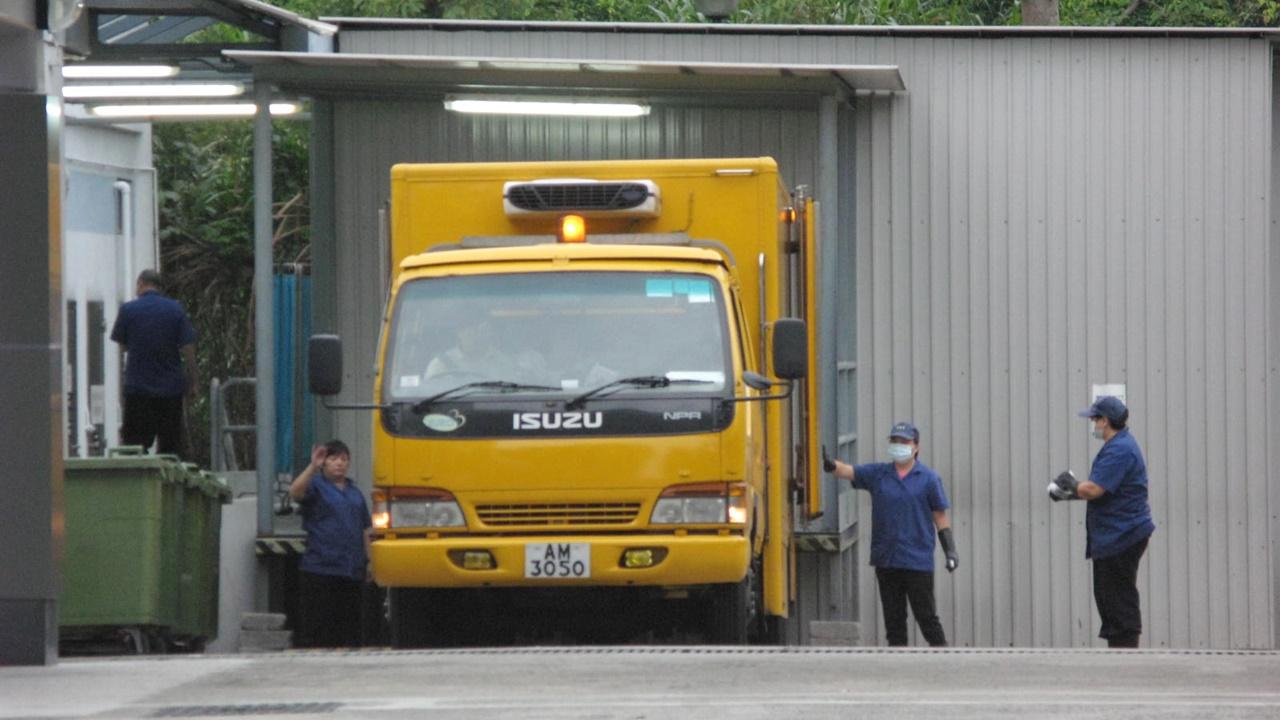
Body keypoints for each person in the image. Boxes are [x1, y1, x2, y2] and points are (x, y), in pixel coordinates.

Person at [824, 422, 958, 647]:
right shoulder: (879, 474)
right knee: (894, 621)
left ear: (916, 446)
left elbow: (940, 517)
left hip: (917, 560)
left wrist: (950, 550)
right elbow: (849, 471)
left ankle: (943, 657)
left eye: (904, 441)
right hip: (887, 559)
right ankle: (898, 663)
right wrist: (830, 465)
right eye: (895, 441)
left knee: (926, 617)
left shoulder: (929, 479)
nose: (899, 445)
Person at [1047, 396, 1155, 649]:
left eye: (1095, 419)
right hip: (1116, 535)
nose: (1093, 424)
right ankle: (1120, 649)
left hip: (1122, 535)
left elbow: (1094, 489)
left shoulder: (1120, 450)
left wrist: (1071, 485)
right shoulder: (1119, 446)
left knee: (1118, 597)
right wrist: (1069, 493)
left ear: (1105, 421)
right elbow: (1103, 490)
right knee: (1110, 596)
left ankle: (1125, 654)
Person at [290, 440, 372, 648]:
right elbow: (296, 492)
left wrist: (369, 561)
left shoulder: (355, 493)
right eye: (334, 458)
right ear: (324, 462)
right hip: (321, 567)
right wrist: (312, 467)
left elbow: (364, 529)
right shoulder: (316, 486)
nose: (339, 463)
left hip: (351, 569)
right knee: (321, 626)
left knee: (350, 626)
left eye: (344, 459)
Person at [109, 269, 197, 456]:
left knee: (134, 449)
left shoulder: (128, 310)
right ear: (159, 287)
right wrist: (193, 382)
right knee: (170, 450)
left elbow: (122, 348)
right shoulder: (175, 309)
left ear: (140, 283)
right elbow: (188, 349)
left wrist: (122, 386)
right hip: (170, 391)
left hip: (138, 391)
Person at [425, 318, 545, 382]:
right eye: (469, 330)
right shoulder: (440, 365)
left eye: (480, 330)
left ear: (488, 333)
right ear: (459, 333)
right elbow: (428, 395)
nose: (475, 335)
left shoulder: (504, 362)